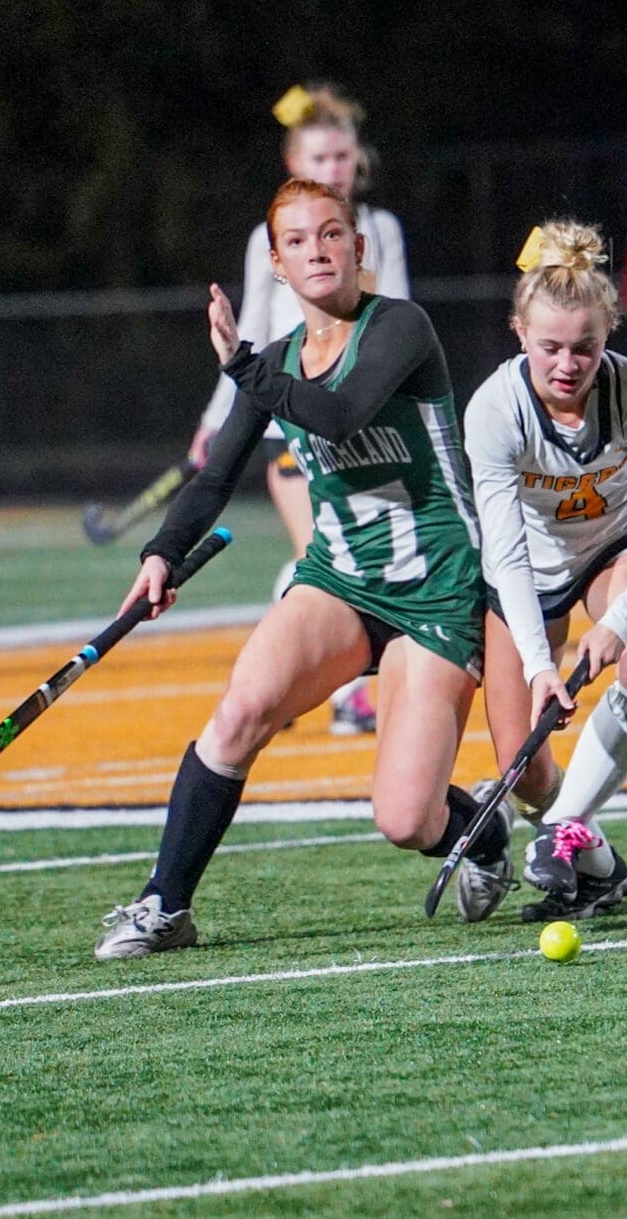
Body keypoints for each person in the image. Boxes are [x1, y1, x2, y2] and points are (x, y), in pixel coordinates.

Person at [94, 177, 501, 959]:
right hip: (339, 581)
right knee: (240, 712)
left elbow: (340, 413)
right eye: (297, 240)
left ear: (358, 247)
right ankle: (164, 904)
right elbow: (215, 474)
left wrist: (244, 369)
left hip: (436, 589)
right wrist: (162, 554)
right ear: (276, 264)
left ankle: (481, 831)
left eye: (331, 234)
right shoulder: (277, 361)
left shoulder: (400, 327)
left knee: (405, 819)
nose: (317, 249)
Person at [460, 220, 627, 921]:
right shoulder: (494, 410)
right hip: (527, 571)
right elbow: (505, 555)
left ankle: (563, 829)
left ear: (608, 335)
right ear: (519, 333)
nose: (568, 363)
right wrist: (541, 667)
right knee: (527, 771)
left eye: (585, 347)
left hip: (613, 548)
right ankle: (598, 866)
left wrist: (617, 624)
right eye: (551, 346)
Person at [191, 83, 409, 736]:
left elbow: (399, 320)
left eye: (341, 156)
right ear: (294, 163)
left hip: (364, 422)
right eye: (319, 158)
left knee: (353, 550)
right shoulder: (273, 238)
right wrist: (215, 421)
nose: (333, 169)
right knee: (325, 550)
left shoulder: (379, 231)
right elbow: (250, 336)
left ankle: (270, 677)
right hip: (291, 420)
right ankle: (331, 693)